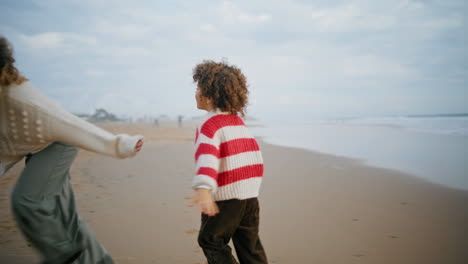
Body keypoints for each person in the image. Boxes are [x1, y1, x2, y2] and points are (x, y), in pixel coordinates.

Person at [0, 36, 144, 264]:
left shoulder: (25, 101)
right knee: (64, 215)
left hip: (58, 143)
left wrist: (122, 144)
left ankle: (66, 255)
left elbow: (73, 126)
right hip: (36, 143)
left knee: (27, 201)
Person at [190, 60, 268, 264]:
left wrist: (204, 189)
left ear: (209, 96)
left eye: (199, 88)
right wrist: (250, 186)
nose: (195, 93)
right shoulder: (237, 121)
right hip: (249, 194)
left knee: (211, 239)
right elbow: (253, 154)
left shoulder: (209, 124)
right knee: (249, 245)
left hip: (226, 196)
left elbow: (207, 157)